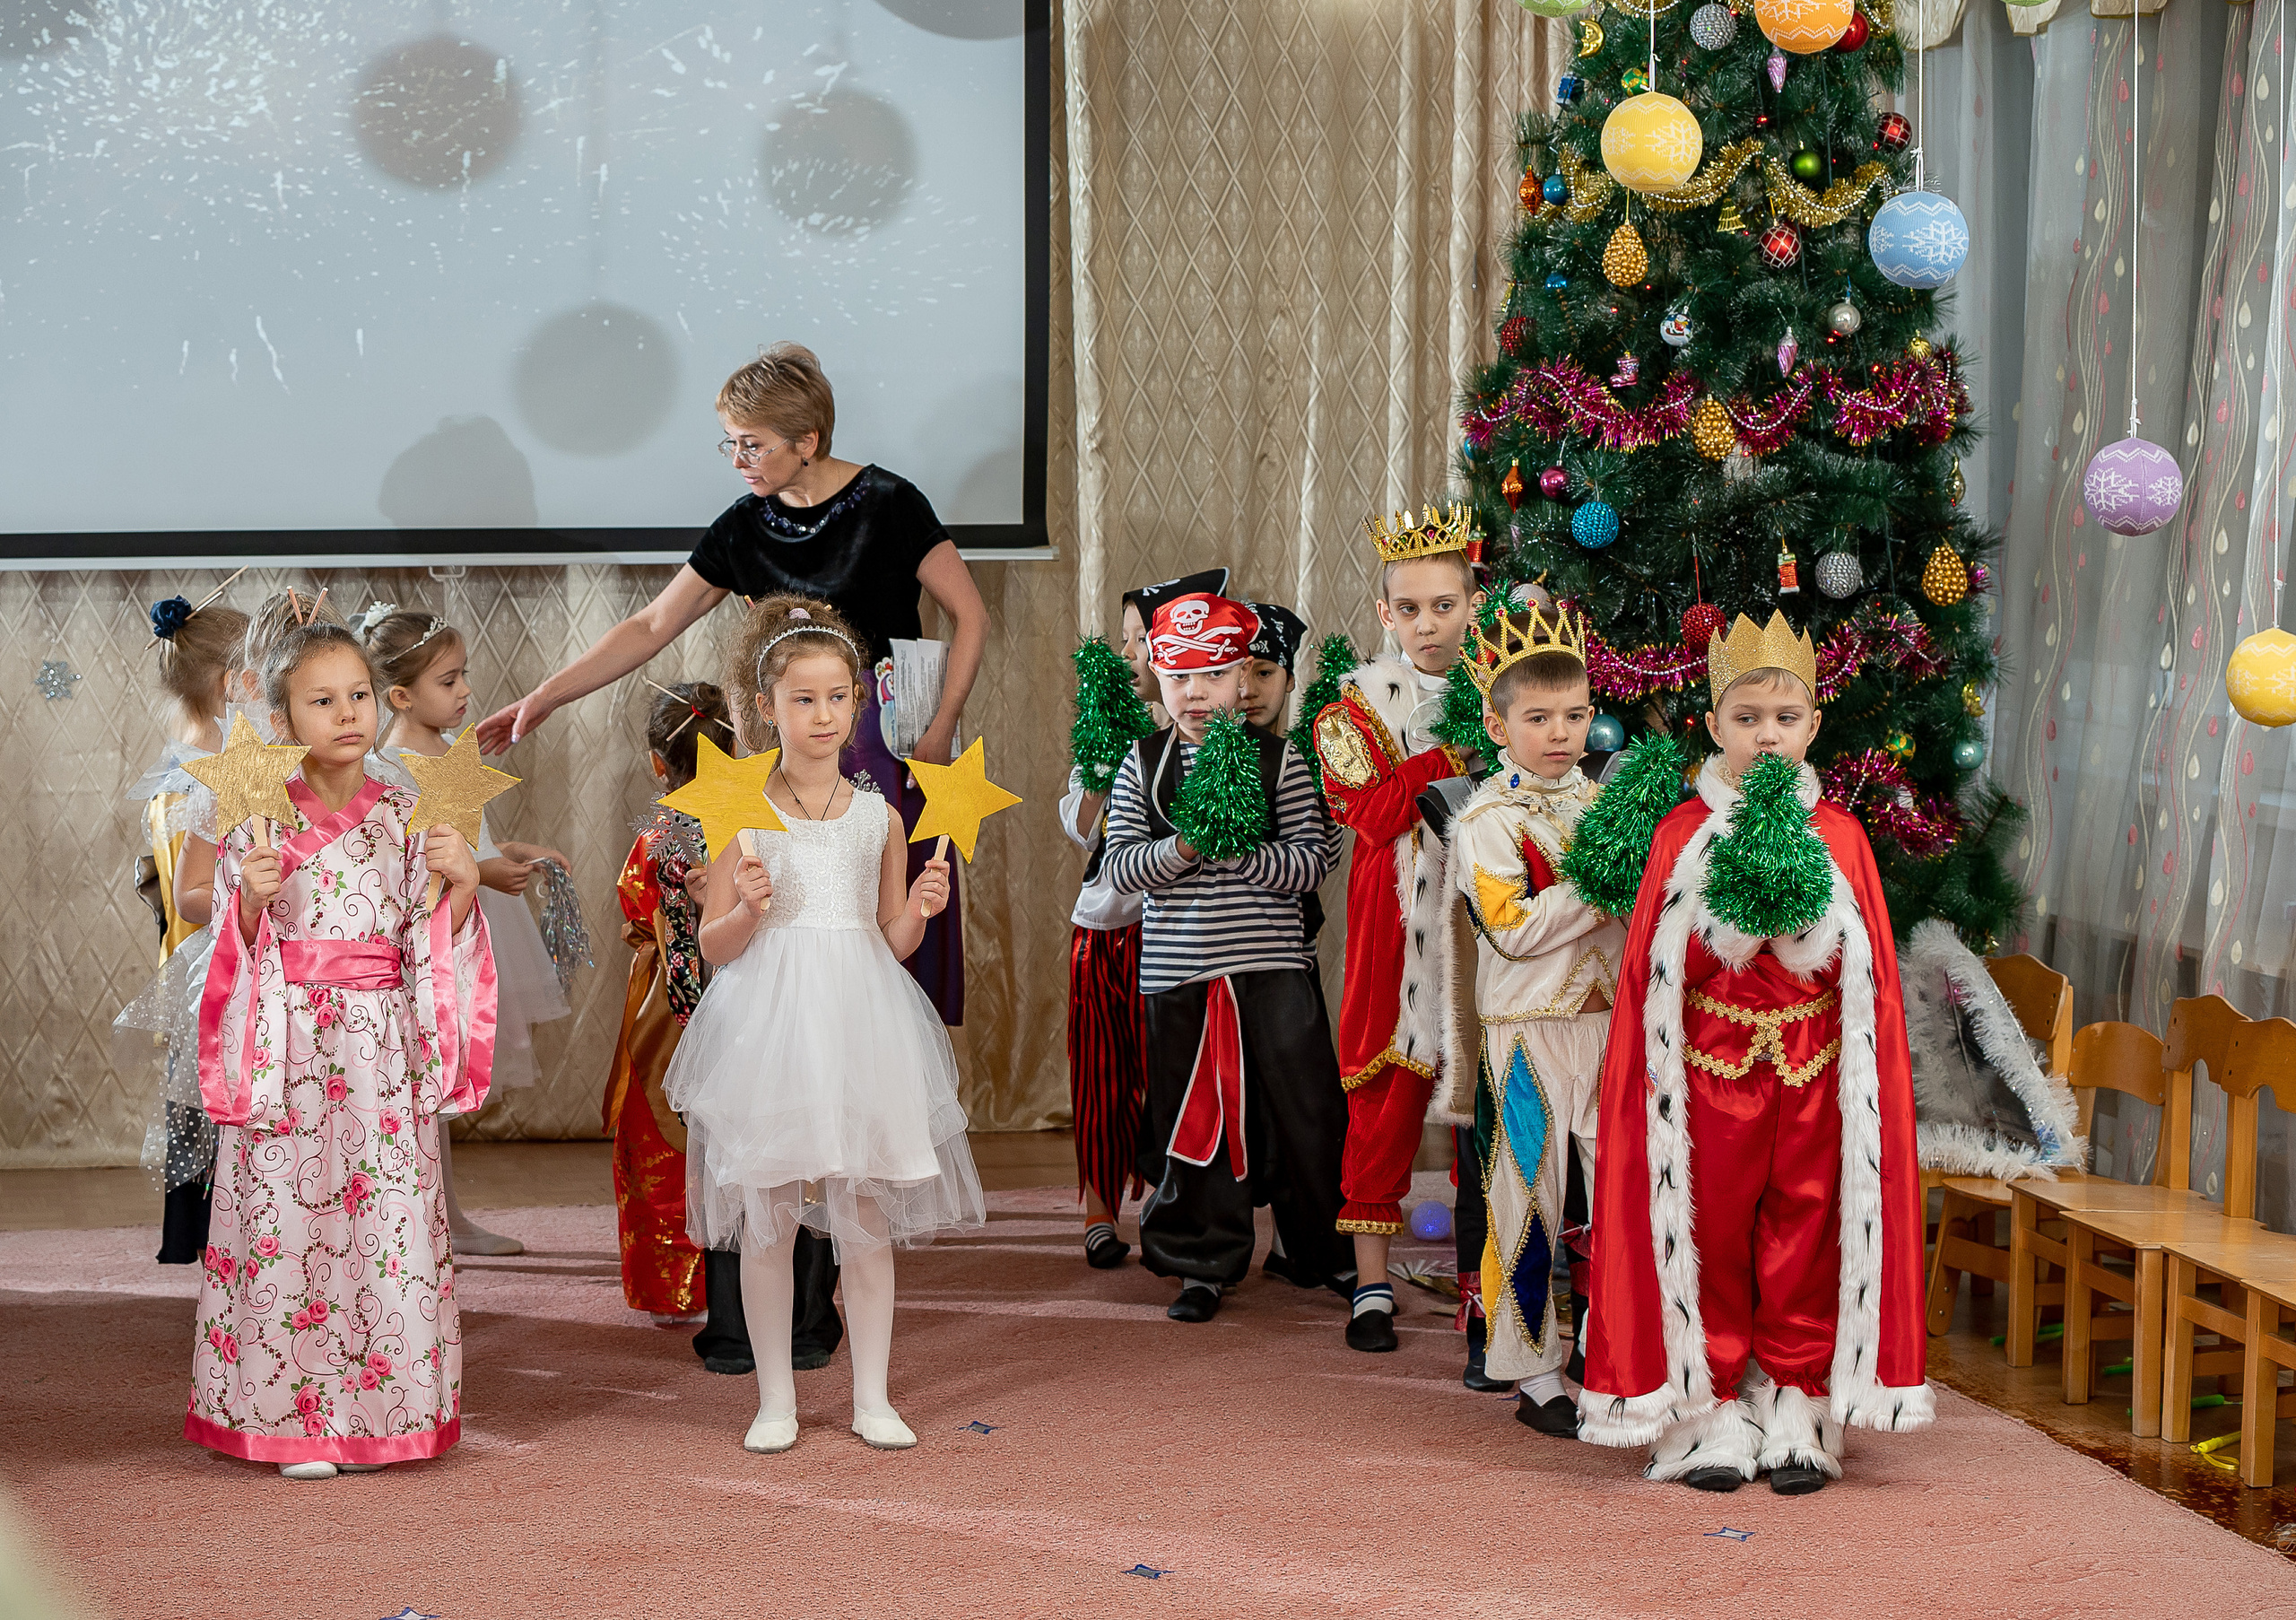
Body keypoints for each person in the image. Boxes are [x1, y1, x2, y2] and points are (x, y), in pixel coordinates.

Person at [473, 343, 990, 1025]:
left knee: (880, 914)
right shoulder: (744, 526)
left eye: (752, 444)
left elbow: (971, 614)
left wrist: (943, 724)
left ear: (806, 441)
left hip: (883, 745)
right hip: (779, 751)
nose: (739, 460)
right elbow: (652, 624)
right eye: (731, 445)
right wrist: (544, 696)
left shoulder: (891, 504)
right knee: (787, 922)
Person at [1579, 611, 1931, 1494]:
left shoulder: (1842, 837)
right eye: (1746, 719)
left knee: (1807, 1235)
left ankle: (1799, 1405)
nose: (1765, 736)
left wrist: (1807, 926)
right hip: (1707, 1084)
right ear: (1713, 726)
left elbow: (1868, 976)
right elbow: (1651, 973)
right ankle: (1711, 1412)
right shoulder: (1681, 832)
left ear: (1812, 727)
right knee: (1710, 1235)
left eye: (1783, 718)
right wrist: (1728, 927)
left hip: (1816, 1084)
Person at [665, 596, 984, 1453]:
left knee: (864, 1214)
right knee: (766, 1213)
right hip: (768, 1022)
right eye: (803, 699)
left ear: (859, 703)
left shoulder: (880, 817)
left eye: (838, 697)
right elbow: (715, 944)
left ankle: (872, 1396)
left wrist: (919, 908)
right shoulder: (739, 810)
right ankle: (776, 1400)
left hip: (859, 1016)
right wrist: (749, 913)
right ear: (767, 707)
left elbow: (893, 939)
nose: (823, 714)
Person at [187, 622, 495, 1479]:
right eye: (321, 701)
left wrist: (462, 883)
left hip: (376, 1053)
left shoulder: (407, 816)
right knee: (287, 1223)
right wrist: (247, 906)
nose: (347, 714)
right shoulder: (259, 818)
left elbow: (426, 939)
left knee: (381, 1221)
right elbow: (229, 945)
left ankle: (384, 1413)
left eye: (358, 694)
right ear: (285, 717)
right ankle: (291, 1420)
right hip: (287, 1046)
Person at [1101, 592, 1352, 1324]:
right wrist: (1184, 847)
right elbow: (1118, 871)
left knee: (1306, 1116)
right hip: (1179, 976)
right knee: (1194, 1121)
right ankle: (1200, 1261)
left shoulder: (1283, 762)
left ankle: (1320, 1251)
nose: (1195, 694)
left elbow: (1311, 863)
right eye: (1178, 678)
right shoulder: (1141, 764)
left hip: (1274, 971)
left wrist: (1243, 849)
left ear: (1243, 677)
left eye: (1212, 676)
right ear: (1158, 676)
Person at [615, 684, 847, 1369]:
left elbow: (637, 920)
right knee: (806, 1161)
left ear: (662, 764)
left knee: (729, 1169)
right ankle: (809, 1327)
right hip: (790, 1009)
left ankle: (732, 1334)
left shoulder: (658, 837)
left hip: (702, 1023)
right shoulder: (776, 815)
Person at [1448, 605, 1626, 1433]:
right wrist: (1600, 881)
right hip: (1527, 1039)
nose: (1561, 734)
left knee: (1627, 1198)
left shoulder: (1606, 805)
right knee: (1525, 1203)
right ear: (1497, 724)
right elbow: (1513, 929)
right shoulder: (1485, 824)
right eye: (1538, 718)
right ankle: (1531, 1372)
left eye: (1576, 715)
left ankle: (1615, 1348)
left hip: (1610, 1033)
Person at [1310, 506, 1483, 1352]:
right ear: (1384, 614)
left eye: (1444, 605)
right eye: (1409, 609)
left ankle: (1486, 1280)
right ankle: (1371, 1286)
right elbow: (1374, 815)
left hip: (1489, 922)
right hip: (1396, 930)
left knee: (1485, 1106)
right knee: (1383, 1102)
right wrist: (1449, 754)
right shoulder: (1350, 710)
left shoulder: (1512, 692)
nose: (1427, 625)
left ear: (1473, 603)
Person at [364, 605, 577, 1258]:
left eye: (463, 678)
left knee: (442, 1085)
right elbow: (411, 862)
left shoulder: (449, 751)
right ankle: (430, 1221)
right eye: (447, 682)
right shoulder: (390, 766)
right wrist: (483, 871)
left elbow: (466, 834)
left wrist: (510, 848)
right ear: (401, 695)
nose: (464, 694)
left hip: (476, 923)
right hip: (438, 932)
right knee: (425, 1083)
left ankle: (448, 1217)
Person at [1058, 568, 1228, 1270]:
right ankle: (1100, 1207)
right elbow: (1079, 828)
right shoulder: (1117, 736)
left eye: (1142, 638)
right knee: (1103, 1070)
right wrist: (1101, 771)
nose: (1130, 655)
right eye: (1126, 640)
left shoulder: (1216, 728)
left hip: (1186, 935)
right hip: (1110, 930)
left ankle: (1171, 1199)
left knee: (1175, 1073)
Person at [117, 588, 249, 1263]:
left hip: (190, 956)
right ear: (237, 682)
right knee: (221, 1102)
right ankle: (227, 1239)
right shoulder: (216, 774)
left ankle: (193, 1237)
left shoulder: (173, 768)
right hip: (218, 961)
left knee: (196, 1099)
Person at [1239, 602, 1307, 733]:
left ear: (1289, 680)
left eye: (1264, 673)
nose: (1248, 692)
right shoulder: (1192, 752)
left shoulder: (1301, 753)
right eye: (1238, 677)